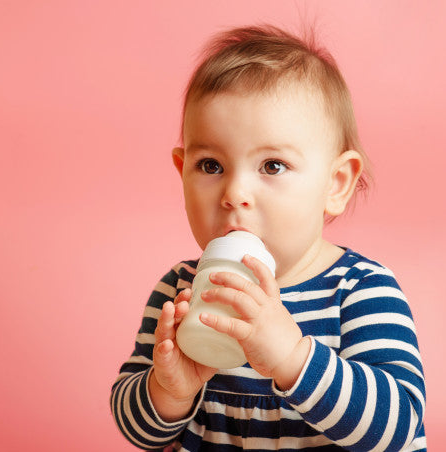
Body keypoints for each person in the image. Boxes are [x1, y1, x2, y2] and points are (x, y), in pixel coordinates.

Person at [111, 24, 426, 451]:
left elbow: (396, 429)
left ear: (335, 184)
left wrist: (291, 357)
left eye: (272, 166)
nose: (235, 194)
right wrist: (170, 391)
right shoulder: (180, 290)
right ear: (181, 170)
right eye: (210, 166)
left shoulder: (361, 290)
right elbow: (137, 431)